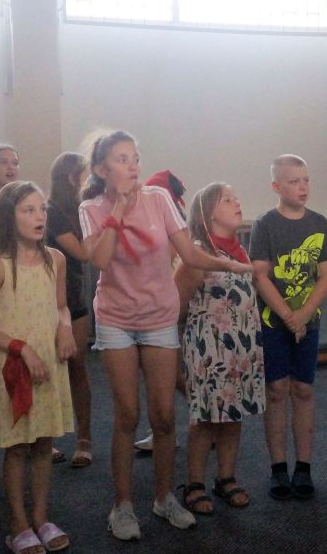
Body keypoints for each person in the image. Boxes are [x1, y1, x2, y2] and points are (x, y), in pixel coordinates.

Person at [78, 130, 251, 539]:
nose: (133, 165)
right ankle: (122, 506)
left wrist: (232, 266)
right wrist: (119, 209)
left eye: (135, 157)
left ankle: (163, 497)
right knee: (127, 414)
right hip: (116, 318)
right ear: (101, 169)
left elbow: (188, 253)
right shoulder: (91, 207)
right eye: (122, 159)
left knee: (164, 415)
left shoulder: (158, 199)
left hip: (159, 316)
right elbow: (100, 259)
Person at [0, 181, 75, 554]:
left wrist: (65, 328)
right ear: (8, 216)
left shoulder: (55, 259)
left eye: (42, 209)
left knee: (45, 443)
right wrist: (22, 348)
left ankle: (41, 516)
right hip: (14, 365)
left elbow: (61, 306)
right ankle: (18, 523)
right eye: (28, 210)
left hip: (48, 363)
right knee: (17, 448)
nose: (39, 217)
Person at [173, 183, 265, 514]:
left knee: (233, 414)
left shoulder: (239, 252)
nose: (237, 202)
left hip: (240, 348)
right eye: (227, 199)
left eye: (236, 197)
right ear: (209, 213)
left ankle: (226, 477)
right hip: (208, 350)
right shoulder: (197, 254)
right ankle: (195, 483)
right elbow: (176, 307)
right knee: (205, 419)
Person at [248, 154, 327, 501]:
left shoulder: (319, 223)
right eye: (294, 181)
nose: (303, 187)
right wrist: (288, 316)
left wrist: (304, 315)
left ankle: (304, 468)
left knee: (303, 389)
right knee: (276, 390)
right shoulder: (265, 224)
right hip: (274, 321)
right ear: (277, 186)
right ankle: (278, 468)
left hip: (308, 322)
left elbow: (326, 276)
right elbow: (260, 276)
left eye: (306, 180)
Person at [133, 169, 187, 453]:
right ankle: (204, 420)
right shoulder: (169, 216)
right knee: (168, 375)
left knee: (171, 375)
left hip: (164, 304)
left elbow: (163, 261)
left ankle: (208, 421)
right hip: (158, 303)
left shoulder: (169, 220)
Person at [47, 152, 94, 467]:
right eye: (85, 175)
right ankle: (44, 439)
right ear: (71, 177)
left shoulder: (78, 208)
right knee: (49, 368)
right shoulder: (52, 211)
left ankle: (84, 438)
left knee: (77, 365)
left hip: (73, 295)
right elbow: (83, 252)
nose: (89, 181)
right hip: (47, 298)